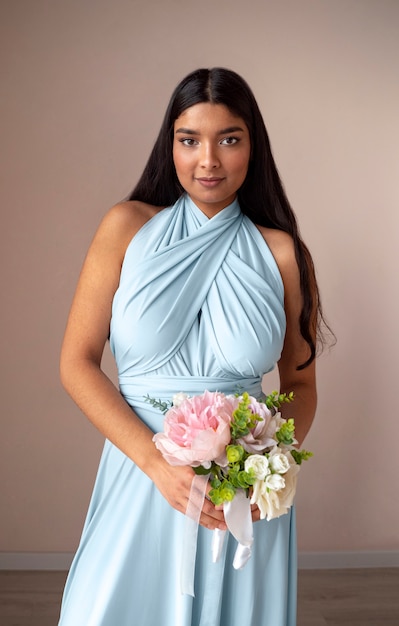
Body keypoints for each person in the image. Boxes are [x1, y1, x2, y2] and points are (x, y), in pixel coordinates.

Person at [58, 67, 327, 626]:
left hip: (243, 498)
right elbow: (76, 363)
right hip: (141, 477)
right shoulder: (125, 228)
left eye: (229, 139)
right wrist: (157, 466)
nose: (209, 160)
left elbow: (300, 385)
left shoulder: (280, 253)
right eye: (190, 141)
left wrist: (270, 466)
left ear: (253, 147)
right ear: (171, 146)